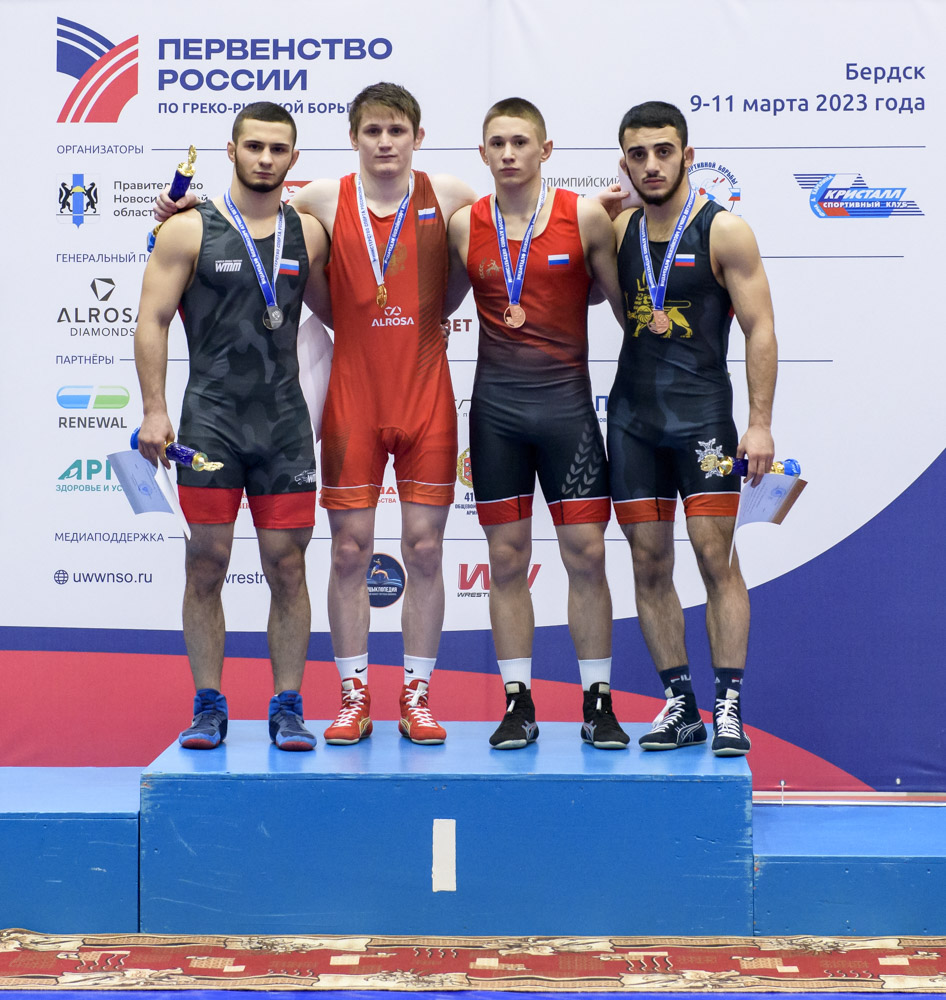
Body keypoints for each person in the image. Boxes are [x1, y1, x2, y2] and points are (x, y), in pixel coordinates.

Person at [159, 83, 476, 745]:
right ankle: (352, 696)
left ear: (417, 137)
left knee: (423, 549)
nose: (385, 142)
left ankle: (416, 696)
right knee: (347, 552)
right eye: (372, 131)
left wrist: (602, 211)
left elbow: (508, 229)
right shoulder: (319, 203)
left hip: (423, 391)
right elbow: (250, 222)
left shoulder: (450, 195)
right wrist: (174, 210)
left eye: (397, 130)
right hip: (350, 395)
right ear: (353, 138)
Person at [136, 102, 331, 751]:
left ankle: (288, 706)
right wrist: (155, 409)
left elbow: (348, 307)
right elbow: (152, 320)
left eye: (278, 149)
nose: (265, 159)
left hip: (284, 427)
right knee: (205, 565)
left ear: (293, 158)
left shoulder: (310, 233)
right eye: (254, 146)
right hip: (210, 424)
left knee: (288, 567)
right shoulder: (187, 229)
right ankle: (208, 705)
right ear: (232, 150)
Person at [446, 98, 629, 750]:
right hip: (495, 415)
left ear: (545, 150)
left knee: (587, 554)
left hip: (567, 413)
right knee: (505, 559)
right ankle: (517, 702)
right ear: (482, 153)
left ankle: (598, 701)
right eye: (497, 143)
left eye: (521, 141)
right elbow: (427, 305)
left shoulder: (584, 217)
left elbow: (627, 309)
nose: (508, 153)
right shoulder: (464, 226)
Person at [608, 101, 778, 756]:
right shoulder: (617, 229)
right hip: (632, 422)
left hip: (703, 421)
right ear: (624, 162)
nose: (651, 165)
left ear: (687, 154)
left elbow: (760, 328)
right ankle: (681, 706)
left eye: (663, 151)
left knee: (716, 558)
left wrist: (759, 425)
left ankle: (728, 706)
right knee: (648, 563)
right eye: (638, 154)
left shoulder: (723, 230)